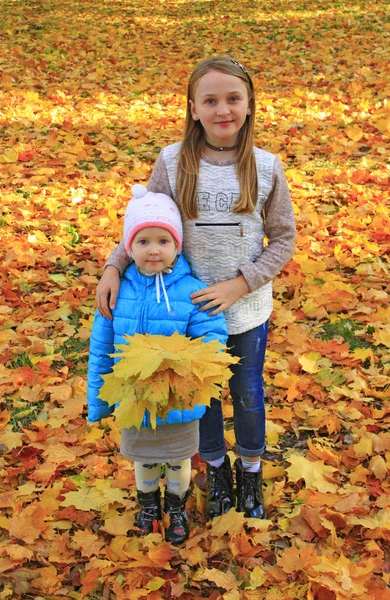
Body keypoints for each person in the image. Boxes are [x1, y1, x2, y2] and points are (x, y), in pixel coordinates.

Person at [95, 56, 296, 520]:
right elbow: (145, 223)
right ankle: (215, 470)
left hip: (245, 310)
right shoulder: (172, 161)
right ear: (193, 107)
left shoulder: (266, 168)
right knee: (199, 395)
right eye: (210, 100)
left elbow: (283, 238)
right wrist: (113, 265)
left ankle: (250, 472)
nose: (222, 109)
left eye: (232, 99)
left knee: (246, 391)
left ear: (248, 105)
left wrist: (241, 283)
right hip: (182, 310)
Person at [87, 184, 228, 544]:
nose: (153, 250)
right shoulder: (117, 291)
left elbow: (212, 338)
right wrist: (99, 400)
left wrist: (183, 363)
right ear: (128, 248)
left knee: (179, 460)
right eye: (143, 241)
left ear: (177, 246)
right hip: (136, 401)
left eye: (163, 241)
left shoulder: (191, 291)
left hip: (178, 401)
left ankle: (176, 507)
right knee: (145, 460)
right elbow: (102, 347)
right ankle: (148, 505)